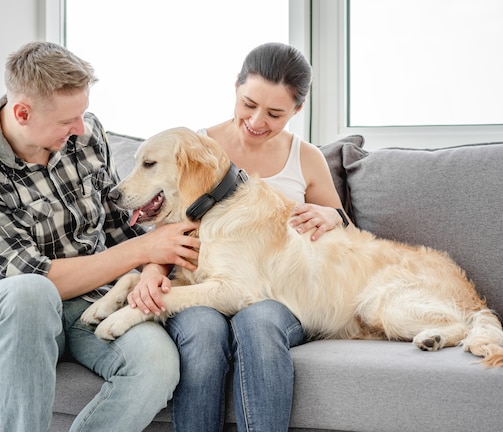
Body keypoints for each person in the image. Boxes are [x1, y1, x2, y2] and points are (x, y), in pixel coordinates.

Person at [0, 41, 200, 432]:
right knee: (31, 293)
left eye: (81, 114)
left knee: (157, 363)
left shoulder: (87, 133)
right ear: (22, 112)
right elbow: (37, 278)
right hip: (10, 309)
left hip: (90, 300)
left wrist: (150, 267)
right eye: (67, 121)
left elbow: (117, 227)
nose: (80, 127)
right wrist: (142, 247)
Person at [128, 42, 350, 431]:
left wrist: (331, 215)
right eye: (249, 103)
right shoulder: (193, 148)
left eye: (276, 113)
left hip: (275, 293)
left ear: (297, 110)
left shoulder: (307, 158)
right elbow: (165, 227)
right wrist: (150, 272)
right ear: (235, 87)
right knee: (201, 330)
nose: (257, 120)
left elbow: (346, 231)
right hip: (201, 284)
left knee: (258, 322)